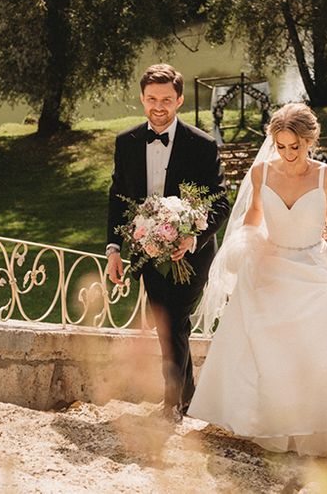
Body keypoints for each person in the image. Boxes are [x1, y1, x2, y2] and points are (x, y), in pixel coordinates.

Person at [189, 104, 327, 456]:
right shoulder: (261, 172)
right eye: (281, 146)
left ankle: (323, 425)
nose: (288, 154)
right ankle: (272, 425)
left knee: (322, 333)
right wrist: (247, 246)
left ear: (309, 141)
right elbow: (255, 213)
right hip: (271, 262)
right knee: (269, 348)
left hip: (312, 262)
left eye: (295, 146)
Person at [105, 64, 230, 423]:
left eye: (166, 99)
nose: (158, 106)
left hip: (192, 252)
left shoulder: (201, 144)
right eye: (151, 99)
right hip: (146, 249)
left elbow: (220, 199)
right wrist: (114, 249)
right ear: (142, 99)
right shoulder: (126, 143)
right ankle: (189, 398)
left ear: (179, 100)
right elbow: (117, 197)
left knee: (174, 318)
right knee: (169, 323)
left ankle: (170, 402)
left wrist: (192, 237)